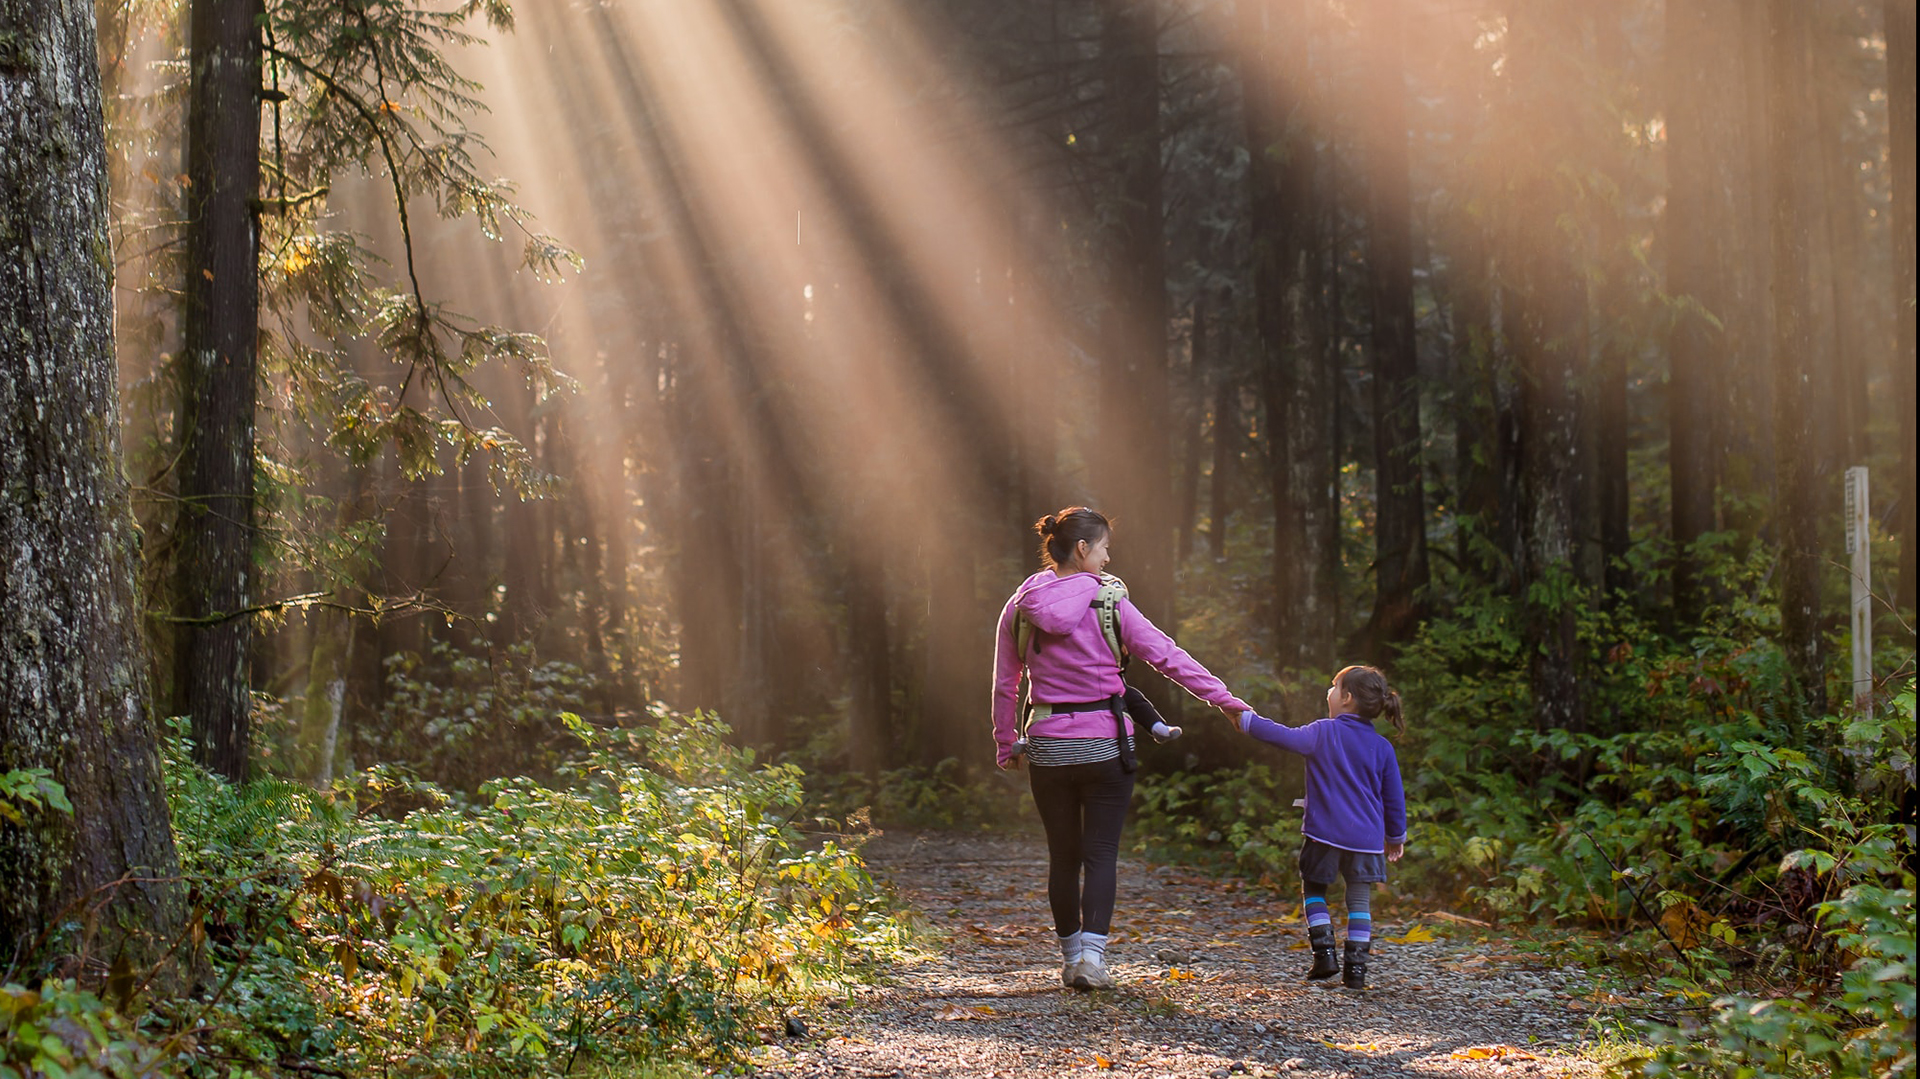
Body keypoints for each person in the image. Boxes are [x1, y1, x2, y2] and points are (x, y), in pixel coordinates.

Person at [992, 506, 1252, 990]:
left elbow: (1006, 682)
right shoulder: (1109, 601)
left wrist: (1007, 742)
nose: (1109, 559)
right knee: (1101, 854)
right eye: (1105, 548)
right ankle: (1093, 959)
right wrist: (1226, 701)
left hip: (1048, 745)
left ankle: (1070, 961)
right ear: (1084, 548)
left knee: (1062, 856)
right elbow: (1167, 656)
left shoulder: (1020, 603)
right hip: (1107, 746)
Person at [1228, 665, 1407, 989]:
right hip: (1365, 839)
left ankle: (1324, 954)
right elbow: (1394, 798)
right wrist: (1395, 837)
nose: (1329, 692)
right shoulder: (1383, 747)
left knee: (1313, 889)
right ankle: (1356, 971)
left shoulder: (1324, 732)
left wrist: (1246, 720)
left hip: (1325, 833)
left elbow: (1283, 735)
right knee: (1359, 901)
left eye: (1333, 686)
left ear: (1347, 698)